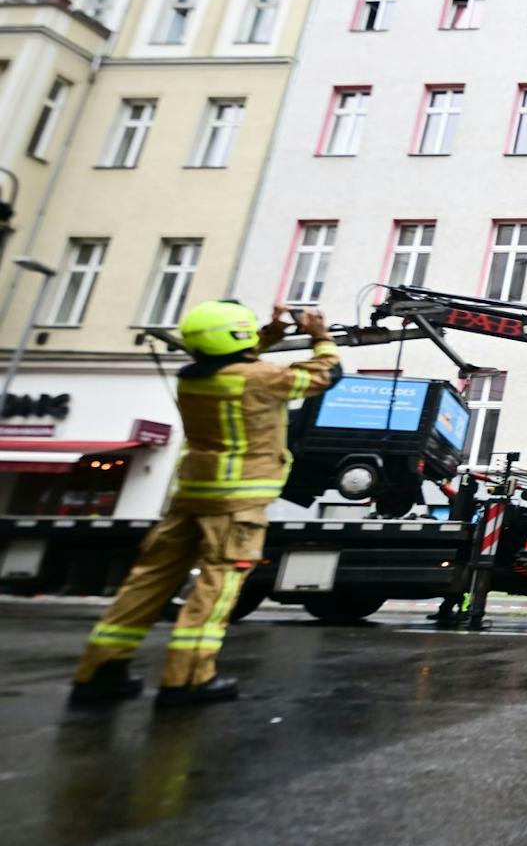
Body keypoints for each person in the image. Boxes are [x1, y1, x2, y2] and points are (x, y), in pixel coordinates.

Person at [68, 301, 342, 707]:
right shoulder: (259, 378)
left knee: (147, 582)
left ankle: (101, 669)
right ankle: (188, 678)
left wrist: (271, 333)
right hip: (237, 504)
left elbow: (232, 358)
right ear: (239, 337)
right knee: (215, 589)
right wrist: (321, 336)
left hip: (191, 497)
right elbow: (326, 374)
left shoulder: (194, 379)